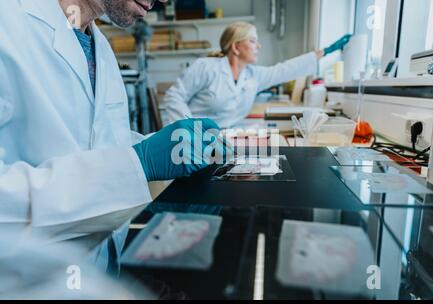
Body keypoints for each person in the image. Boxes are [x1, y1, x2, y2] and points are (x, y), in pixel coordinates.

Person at [0, 0, 222, 268]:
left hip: (98, 270)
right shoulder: (8, 24)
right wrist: (141, 163)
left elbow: (98, 141)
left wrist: (162, 147)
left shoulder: (99, 44)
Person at [162, 22, 351, 128]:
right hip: (191, 141)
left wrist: (326, 51)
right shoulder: (206, 67)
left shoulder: (253, 75)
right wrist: (186, 131)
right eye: (252, 41)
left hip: (222, 141)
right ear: (236, 47)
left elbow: (285, 69)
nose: (258, 46)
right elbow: (174, 96)